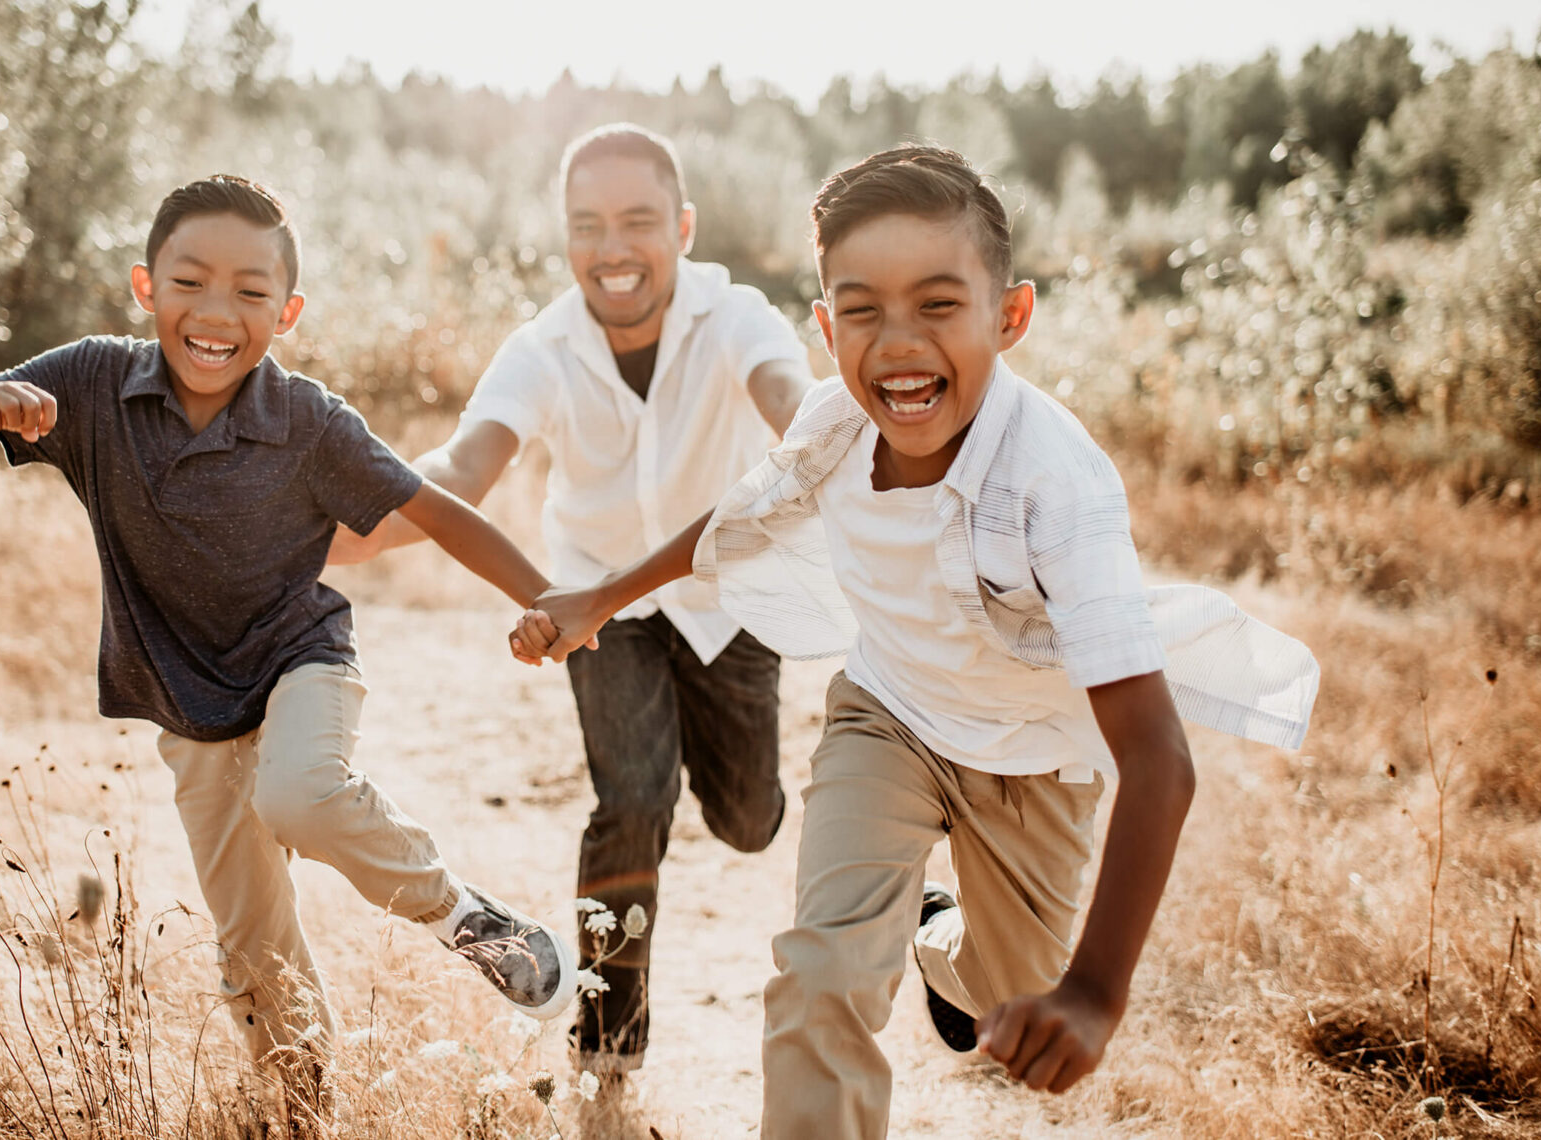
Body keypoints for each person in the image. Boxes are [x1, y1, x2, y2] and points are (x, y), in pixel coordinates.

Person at [511, 144, 1318, 1137]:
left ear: (1009, 316)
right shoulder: (835, 422)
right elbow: (741, 518)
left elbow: (1157, 757)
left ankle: (941, 936)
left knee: (1007, 996)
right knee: (821, 975)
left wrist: (1095, 991)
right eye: (862, 309)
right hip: (886, 717)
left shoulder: (1057, 484)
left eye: (938, 304)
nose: (896, 344)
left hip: (1033, 760)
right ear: (826, 322)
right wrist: (604, 594)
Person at [0, 174, 573, 1128]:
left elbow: (435, 510)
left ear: (287, 312)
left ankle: (466, 918)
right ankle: (301, 1111)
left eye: (251, 292)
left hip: (303, 661)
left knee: (298, 789)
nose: (217, 313)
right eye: (191, 283)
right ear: (145, 287)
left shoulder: (309, 422)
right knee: (252, 945)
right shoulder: (89, 383)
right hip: (187, 705)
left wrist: (546, 601)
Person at [329, 124, 816, 1080]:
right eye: (587, 226)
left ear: (680, 227)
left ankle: (727, 802)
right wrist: (339, 523)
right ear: (564, 239)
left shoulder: (739, 316)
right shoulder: (543, 345)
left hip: (728, 601)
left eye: (638, 222)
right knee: (631, 799)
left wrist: (837, 436)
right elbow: (462, 466)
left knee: (750, 819)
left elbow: (795, 405)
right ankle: (608, 1044)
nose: (612, 248)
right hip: (604, 609)